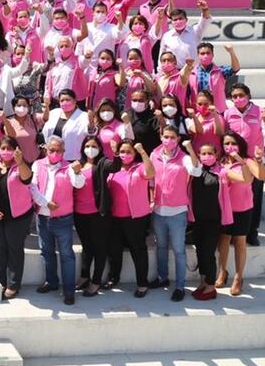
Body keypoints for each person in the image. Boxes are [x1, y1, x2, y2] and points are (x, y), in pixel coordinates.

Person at [187, 139, 249, 301]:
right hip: (197, 219)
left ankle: (210, 286)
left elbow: (246, 180)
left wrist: (242, 162)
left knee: (208, 253)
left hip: (213, 220)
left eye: (210, 153)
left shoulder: (222, 172)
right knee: (200, 251)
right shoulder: (195, 171)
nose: (207, 156)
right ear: (199, 156)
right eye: (203, 154)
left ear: (216, 155)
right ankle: (202, 283)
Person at [31, 136, 86, 306]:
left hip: (63, 218)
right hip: (43, 216)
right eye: (51, 150)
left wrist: (77, 172)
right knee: (46, 251)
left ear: (63, 152)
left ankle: (69, 291)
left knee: (66, 255)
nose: (54, 153)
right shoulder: (37, 164)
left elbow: (79, 184)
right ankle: (51, 282)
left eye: (58, 150)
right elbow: (32, 187)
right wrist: (45, 203)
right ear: (46, 149)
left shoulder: (69, 167)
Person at [148, 126, 200, 301]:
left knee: (178, 251)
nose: (168, 140)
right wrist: (150, 200)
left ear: (178, 139)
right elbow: (150, 180)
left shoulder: (184, 158)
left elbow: (196, 171)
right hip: (158, 211)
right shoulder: (153, 155)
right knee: (161, 247)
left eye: (172, 137)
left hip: (177, 212)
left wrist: (191, 149)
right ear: (161, 137)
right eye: (165, 136)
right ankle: (163, 278)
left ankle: (179, 286)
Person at [0, 137, 33, 299]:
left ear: (16, 149)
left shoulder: (22, 165)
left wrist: (20, 161)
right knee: (0, 247)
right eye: (3, 148)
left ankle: (14, 284)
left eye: (9, 148)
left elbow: (27, 179)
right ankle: (1, 280)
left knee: (14, 248)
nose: (6, 152)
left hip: (19, 216)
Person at [222, 83, 265, 246]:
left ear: (248, 96)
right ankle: (232, 231)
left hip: (254, 161)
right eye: (234, 97)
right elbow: (225, 136)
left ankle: (251, 232)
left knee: (254, 198)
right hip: (235, 161)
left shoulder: (260, 112)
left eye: (241, 95)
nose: (238, 99)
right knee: (235, 197)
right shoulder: (228, 113)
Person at [216, 132, 265, 296]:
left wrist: (254, 160)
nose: (229, 147)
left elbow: (259, 176)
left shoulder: (247, 161)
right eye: (226, 143)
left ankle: (239, 277)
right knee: (223, 239)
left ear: (240, 145)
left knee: (239, 242)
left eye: (232, 143)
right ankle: (222, 272)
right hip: (225, 208)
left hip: (242, 209)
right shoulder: (221, 161)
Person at [106, 139, 155, 297]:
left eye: (129, 152)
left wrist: (142, 152)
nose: (125, 155)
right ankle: (114, 277)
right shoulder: (113, 168)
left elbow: (151, 173)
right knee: (114, 249)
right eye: (122, 152)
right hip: (114, 217)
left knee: (138, 250)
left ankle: (142, 283)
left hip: (136, 218)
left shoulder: (139, 167)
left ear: (134, 154)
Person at [72, 136, 109, 297]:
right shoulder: (78, 164)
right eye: (87, 145)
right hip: (79, 212)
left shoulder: (102, 164)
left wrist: (115, 152)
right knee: (86, 246)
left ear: (100, 149)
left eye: (94, 146)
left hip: (97, 213)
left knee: (99, 247)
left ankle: (96, 280)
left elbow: (114, 166)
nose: (90, 149)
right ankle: (84, 276)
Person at [159, 1, 211, 66]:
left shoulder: (195, 31)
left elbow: (205, 20)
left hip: (192, 71)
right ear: (171, 22)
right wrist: (161, 71)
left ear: (186, 19)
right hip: (173, 72)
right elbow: (162, 55)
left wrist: (205, 9)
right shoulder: (167, 36)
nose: (178, 21)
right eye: (175, 20)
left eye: (180, 18)